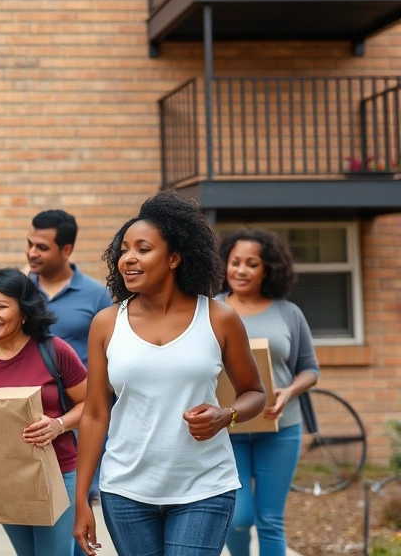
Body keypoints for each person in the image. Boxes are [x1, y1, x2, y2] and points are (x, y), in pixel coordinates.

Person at [73, 191, 267, 556]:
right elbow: (95, 413)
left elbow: (255, 393)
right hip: (125, 490)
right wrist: (82, 497)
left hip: (204, 486)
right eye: (124, 250)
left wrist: (227, 415)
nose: (128, 258)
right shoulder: (106, 324)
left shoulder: (218, 318)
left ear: (175, 258)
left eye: (143, 249)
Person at [0, 268, 88, 556]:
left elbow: (93, 405)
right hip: (4, 480)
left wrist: (59, 424)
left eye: (1, 306)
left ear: (24, 313)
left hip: (58, 474)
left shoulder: (54, 351)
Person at [218, 229, 319, 556]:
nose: (241, 270)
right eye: (235, 262)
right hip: (229, 428)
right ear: (224, 265)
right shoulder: (209, 309)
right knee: (238, 516)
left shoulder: (288, 313)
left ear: (268, 269)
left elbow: (310, 369)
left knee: (270, 520)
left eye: (252, 263)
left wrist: (289, 391)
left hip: (280, 428)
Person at [26, 209, 111, 509]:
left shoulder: (96, 295)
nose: (32, 253)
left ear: (66, 249)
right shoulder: (20, 293)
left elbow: (112, 354)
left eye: (42, 247)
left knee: (79, 506)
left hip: (83, 415)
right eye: (30, 244)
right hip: (34, 419)